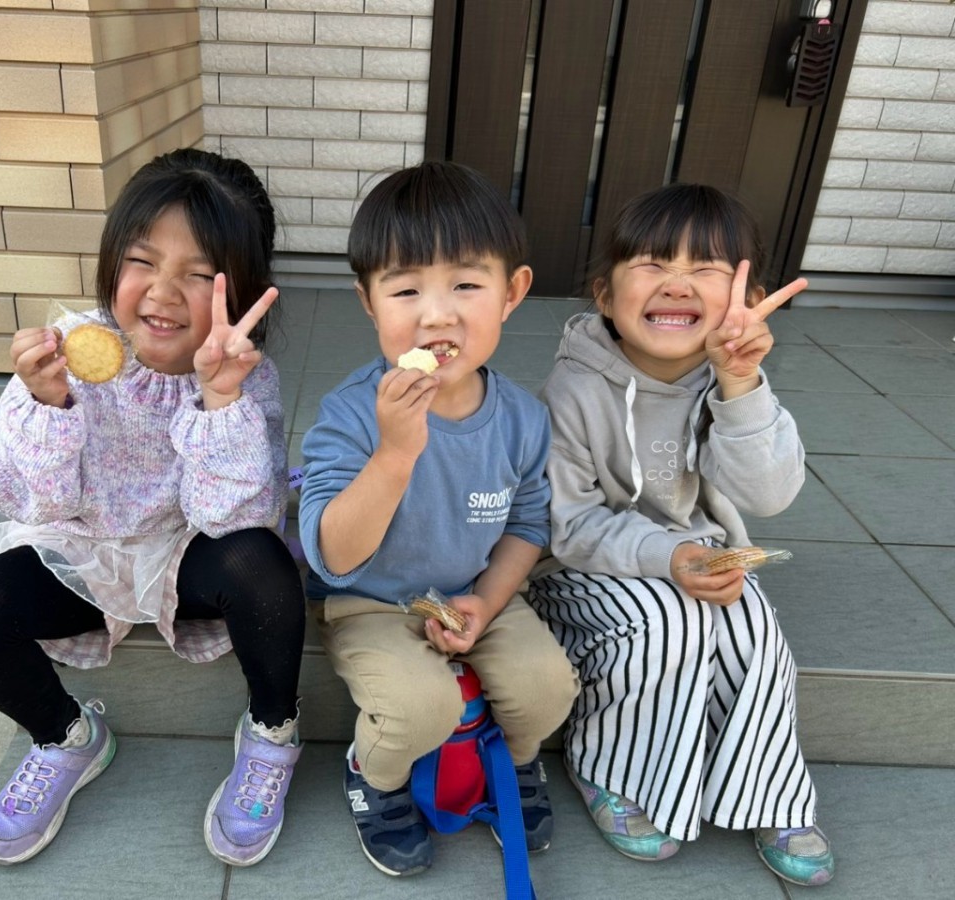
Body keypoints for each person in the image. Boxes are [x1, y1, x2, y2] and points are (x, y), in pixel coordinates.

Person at [0, 148, 306, 869]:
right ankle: (66, 737)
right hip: (82, 549)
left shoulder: (245, 375)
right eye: (142, 261)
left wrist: (219, 399)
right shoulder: (69, 353)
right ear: (111, 262)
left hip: (186, 552)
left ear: (242, 291)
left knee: (264, 567)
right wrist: (48, 405)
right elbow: (30, 501)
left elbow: (235, 520)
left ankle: (271, 731)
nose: (163, 293)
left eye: (198, 274)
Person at [528, 183, 834, 886]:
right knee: (668, 624)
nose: (677, 283)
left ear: (745, 297)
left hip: (694, 557)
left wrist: (741, 385)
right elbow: (568, 524)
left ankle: (770, 793)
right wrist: (669, 556)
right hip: (581, 569)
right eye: (654, 264)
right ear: (605, 296)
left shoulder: (731, 380)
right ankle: (611, 768)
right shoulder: (574, 389)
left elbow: (770, 494)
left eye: (707, 269)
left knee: (753, 623)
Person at [298, 161, 580, 878]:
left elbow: (527, 524)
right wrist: (395, 454)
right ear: (369, 303)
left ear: (512, 292)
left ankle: (514, 761)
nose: (436, 314)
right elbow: (333, 556)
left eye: (465, 284)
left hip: (474, 592)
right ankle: (375, 777)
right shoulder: (352, 413)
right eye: (405, 290)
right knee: (422, 706)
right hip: (372, 601)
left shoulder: (521, 419)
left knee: (548, 685)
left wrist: (486, 600)